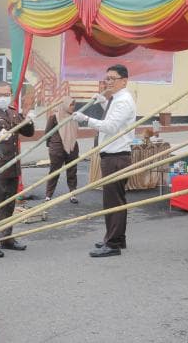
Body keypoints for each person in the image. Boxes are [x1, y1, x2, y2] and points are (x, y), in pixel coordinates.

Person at [73, 64, 136, 257]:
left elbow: (110, 126)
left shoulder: (123, 101)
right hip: (111, 155)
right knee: (112, 200)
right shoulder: (116, 99)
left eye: (112, 78)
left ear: (124, 81)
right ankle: (115, 237)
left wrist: (86, 119)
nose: (108, 82)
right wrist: (102, 103)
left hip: (116, 157)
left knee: (114, 201)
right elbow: (114, 119)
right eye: (106, 78)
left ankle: (114, 243)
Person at [0, 82, 35, 258]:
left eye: (6, 94)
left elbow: (28, 132)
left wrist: (29, 119)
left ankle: (6, 238)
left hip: (12, 166)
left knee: (9, 205)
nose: (2, 97)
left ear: (10, 95)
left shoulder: (12, 113)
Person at [44, 96, 80, 204]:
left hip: (72, 147)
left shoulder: (74, 117)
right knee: (54, 172)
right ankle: (48, 195)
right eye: (71, 104)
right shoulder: (54, 117)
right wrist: (52, 145)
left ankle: (73, 194)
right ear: (64, 104)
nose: (73, 107)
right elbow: (47, 133)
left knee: (72, 172)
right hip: (57, 149)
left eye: (74, 104)